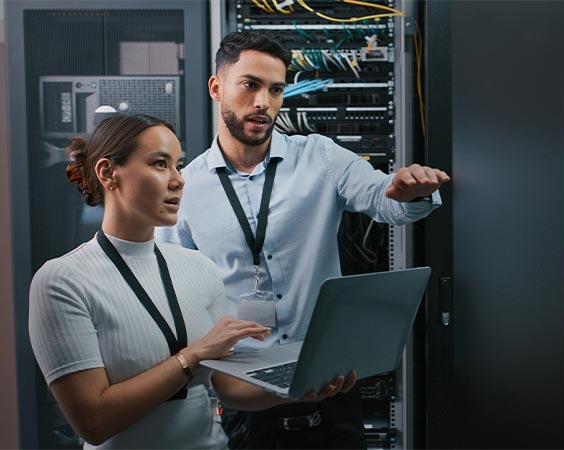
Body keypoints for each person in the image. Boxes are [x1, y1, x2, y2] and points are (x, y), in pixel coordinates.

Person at [154, 29, 451, 449]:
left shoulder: (320, 157)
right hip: (245, 396)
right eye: (250, 85)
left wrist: (411, 191)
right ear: (217, 88)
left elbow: (387, 202)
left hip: (331, 385)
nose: (264, 102)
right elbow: (176, 298)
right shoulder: (185, 188)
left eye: (276, 89)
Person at [28, 113, 352, 450]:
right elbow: (94, 422)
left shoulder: (199, 268)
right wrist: (191, 356)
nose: (178, 180)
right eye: (159, 164)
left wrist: (302, 387)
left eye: (178, 165)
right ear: (109, 173)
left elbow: (230, 389)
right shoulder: (62, 281)